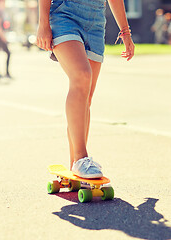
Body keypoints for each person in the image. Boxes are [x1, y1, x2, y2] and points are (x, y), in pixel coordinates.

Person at [36, 0, 134, 178]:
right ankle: (82, 158)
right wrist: (43, 23)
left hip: (96, 22)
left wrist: (125, 32)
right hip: (65, 15)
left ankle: (75, 163)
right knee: (82, 76)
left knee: (86, 97)